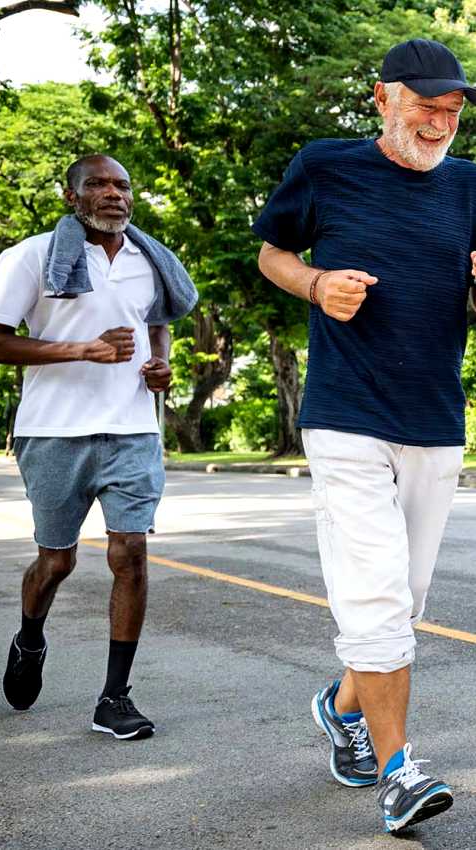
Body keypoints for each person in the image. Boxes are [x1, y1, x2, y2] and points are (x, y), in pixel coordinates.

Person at [253, 39, 476, 832]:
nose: (441, 124)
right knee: (377, 598)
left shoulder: (470, 185)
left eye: (453, 112)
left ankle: (338, 703)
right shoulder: (326, 165)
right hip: (346, 414)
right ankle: (399, 772)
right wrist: (315, 283)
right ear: (383, 99)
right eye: (427, 109)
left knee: (402, 606)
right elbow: (272, 252)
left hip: (435, 417)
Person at [0, 154, 197, 740]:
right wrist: (81, 350)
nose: (113, 194)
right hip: (52, 432)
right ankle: (29, 638)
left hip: (132, 430)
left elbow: (155, 322)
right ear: (71, 195)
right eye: (97, 184)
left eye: (122, 184)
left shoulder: (148, 260)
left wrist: (161, 366)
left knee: (129, 552)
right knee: (58, 560)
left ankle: (115, 696)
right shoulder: (29, 257)